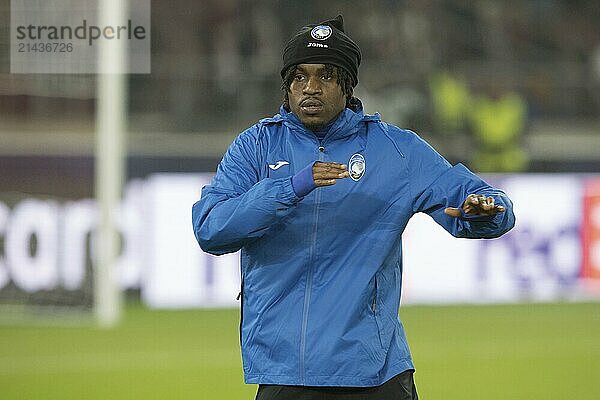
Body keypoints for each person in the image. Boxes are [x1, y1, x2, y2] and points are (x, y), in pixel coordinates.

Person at [192, 15, 515, 400]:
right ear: (286, 87)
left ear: (347, 86)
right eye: (299, 77)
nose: (311, 87)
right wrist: (292, 186)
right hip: (285, 373)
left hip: (374, 373)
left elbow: (476, 199)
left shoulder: (396, 149)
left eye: (326, 75)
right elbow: (211, 229)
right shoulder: (256, 146)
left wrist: (488, 211)